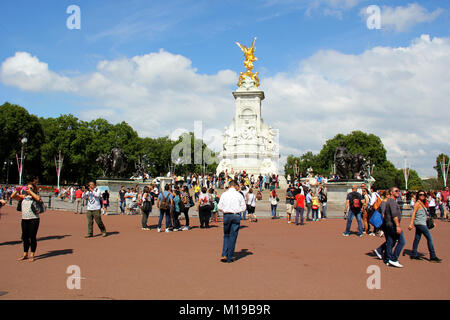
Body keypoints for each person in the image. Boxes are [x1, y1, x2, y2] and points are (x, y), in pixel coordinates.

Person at [374, 187, 405, 268]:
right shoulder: (391, 202)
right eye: (396, 191)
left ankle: (386, 257)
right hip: (392, 225)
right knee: (401, 242)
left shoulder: (391, 201)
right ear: (391, 193)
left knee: (390, 241)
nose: (398, 192)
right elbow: (394, 215)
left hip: (390, 224)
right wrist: (398, 225)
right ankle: (393, 259)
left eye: (399, 190)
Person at [408, 190, 442, 262]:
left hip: (422, 223)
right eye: (420, 195)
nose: (422, 196)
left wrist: (432, 222)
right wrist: (411, 223)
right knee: (430, 238)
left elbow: (426, 215)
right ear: (418, 195)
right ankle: (433, 256)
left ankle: (414, 254)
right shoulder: (417, 203)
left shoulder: (423, 203)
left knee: (417, 238)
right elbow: (413, 213)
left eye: (423, 194)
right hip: (420, 223)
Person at [11, 182, 42, 262]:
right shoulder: (24, 197)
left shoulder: (35, 196)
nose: (28, 189)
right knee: (25, 237)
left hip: (33, 219)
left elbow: (38, 199)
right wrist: (17, 190)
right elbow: (13, 196)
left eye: (30, 188)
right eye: (27, 187)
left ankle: (32, 254)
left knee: (32, 237)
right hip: (24, 219)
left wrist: (30, 191)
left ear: (34, 189)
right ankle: (25, 254)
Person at [218, 180, 246, 263]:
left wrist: (225, 210)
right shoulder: (239, 195)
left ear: (229, 186)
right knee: (233, 236)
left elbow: (219, 206)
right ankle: (230, 256)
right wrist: (237, 211)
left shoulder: (224, 194)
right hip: (236, 215)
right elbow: (244, 207)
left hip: (226, 215)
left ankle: (224, 254)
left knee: (226, 235)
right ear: (235, 186)